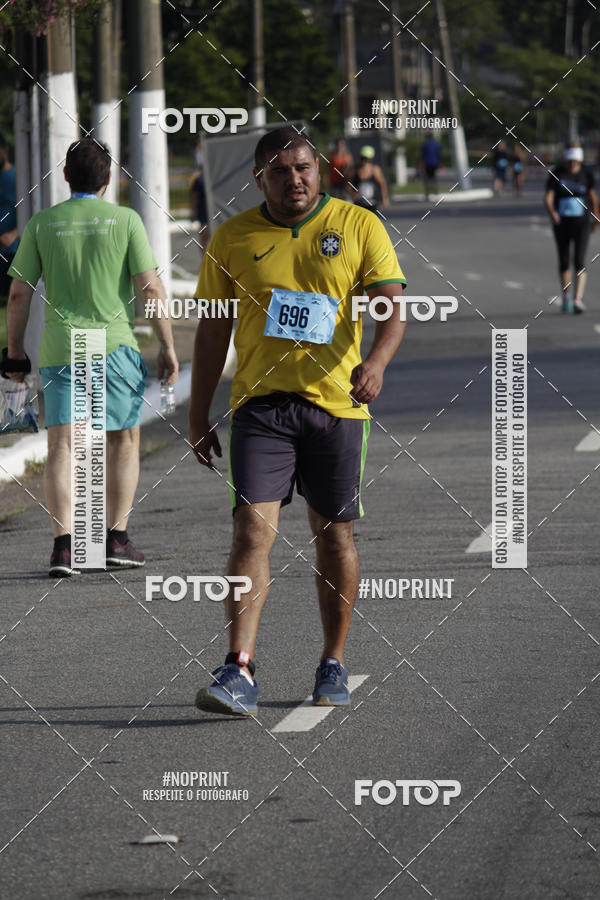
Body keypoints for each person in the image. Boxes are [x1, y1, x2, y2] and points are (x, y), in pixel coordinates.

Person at [189, 126, 407, 717]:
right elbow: (212, 332)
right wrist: (197, 411)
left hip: (336, 406)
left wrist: (378, 363)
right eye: (281, 172)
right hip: (261, 406)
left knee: (333, 535)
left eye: (304, 169)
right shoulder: (231, 238)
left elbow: (391, 306)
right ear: (259, 178)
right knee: (250, 532)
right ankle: (238, 668)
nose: (295, 180)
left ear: (320, 170)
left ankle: (331, 661)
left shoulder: (359, 225)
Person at [5, 138, 179, 575]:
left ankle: (64, 546)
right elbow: (151, 289)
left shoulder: (43, 224)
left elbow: (18, 294)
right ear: (109, 178)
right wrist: (169, 346)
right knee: (123, 439)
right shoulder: (125, 221)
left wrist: (14, 352)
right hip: (114, 349)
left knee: (62, 445)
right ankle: (116, 539)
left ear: (65, 175)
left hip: (62, 350)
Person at [545, 141, 598, 313]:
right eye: (570, 162)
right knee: (565, 260)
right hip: (562, 223)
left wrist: (596, 218)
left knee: (579, 261)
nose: (573, 165)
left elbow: (592, 197)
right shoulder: (557, 173)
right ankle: (566, 296)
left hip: (582, 223)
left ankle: (578, 299)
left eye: (576, 162)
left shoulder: (586, 174)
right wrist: (552, 212)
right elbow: (549, 198)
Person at [0, 134, 19, 300]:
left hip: (13, 251)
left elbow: (30, 210)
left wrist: (14, 234)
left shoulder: (19, 177)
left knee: (12, 298)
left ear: (5, 151)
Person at [348, 145, 390, 213]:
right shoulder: (354, 170)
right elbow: (348, 184)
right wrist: (352, 194)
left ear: (370, 159)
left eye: (367, 159)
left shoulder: (375, 170)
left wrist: (385, 198)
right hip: (359, 203)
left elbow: (382, 184)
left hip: (373, 203)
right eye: (362, 158)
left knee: (372, 221)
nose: (364, 161)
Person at [189, 168, 208, 253]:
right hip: (205, 213)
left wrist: (193, 212)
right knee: (205, 238)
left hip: (204, 213)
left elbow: (194, 197)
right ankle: (206, 260)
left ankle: (205, 260)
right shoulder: (201, 179)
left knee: (204, 238)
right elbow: (194, 197)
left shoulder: (199, 179)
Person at [420, 133, 441, 200]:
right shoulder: (436, 144)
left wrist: (421, 162)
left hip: (427, 163)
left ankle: (428, 193)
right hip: (435, 163)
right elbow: (439, 153)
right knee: (433, 177)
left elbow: (422, 154)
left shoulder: (425, 144)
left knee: (427, 178)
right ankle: (435, 191)